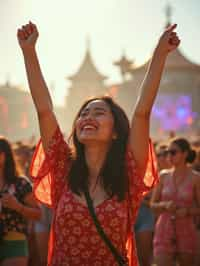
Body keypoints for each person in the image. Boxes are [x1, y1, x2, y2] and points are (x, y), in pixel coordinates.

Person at [17, 21, 180, 266]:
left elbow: (142, 112)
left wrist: (159, 53)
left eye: (99, 113)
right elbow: (44, 111)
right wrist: (29, 52)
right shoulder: (63, 170)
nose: (88, 117)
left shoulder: (129, 173)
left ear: (116, 132)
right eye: (83, 113)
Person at [151, 137, 200, 266]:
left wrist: (188, 211)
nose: (169, 156)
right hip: (164, 229)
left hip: (187, 230)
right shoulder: (163, 175)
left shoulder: (196, 178)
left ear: (185, 154)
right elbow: (152, 205)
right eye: (167, 152)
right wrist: (164, 205)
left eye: (173, 152)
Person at [0, 137, 41, 266]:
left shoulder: (20, 183)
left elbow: (38, 214)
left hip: (14, 242)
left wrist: (17, 206)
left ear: (4, 156)